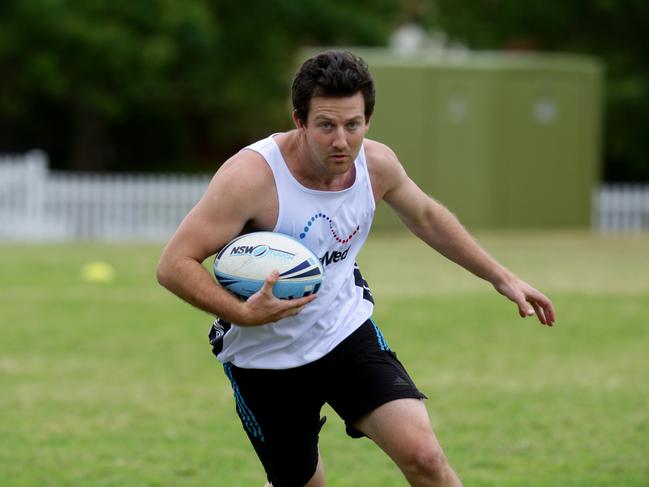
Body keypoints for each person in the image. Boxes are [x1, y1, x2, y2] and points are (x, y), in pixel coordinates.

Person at [156, 50, 556, 487]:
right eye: (326, 125)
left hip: (343, 332)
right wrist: (243, 313)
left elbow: (425, 216)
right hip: (264, 358)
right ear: (300, 120)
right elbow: (174, 264)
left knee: (424, 456)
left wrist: (501, 276)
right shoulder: (251, 178)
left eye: (353, 125)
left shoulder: (377, 165)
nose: (341, 141)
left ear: (367, 120)